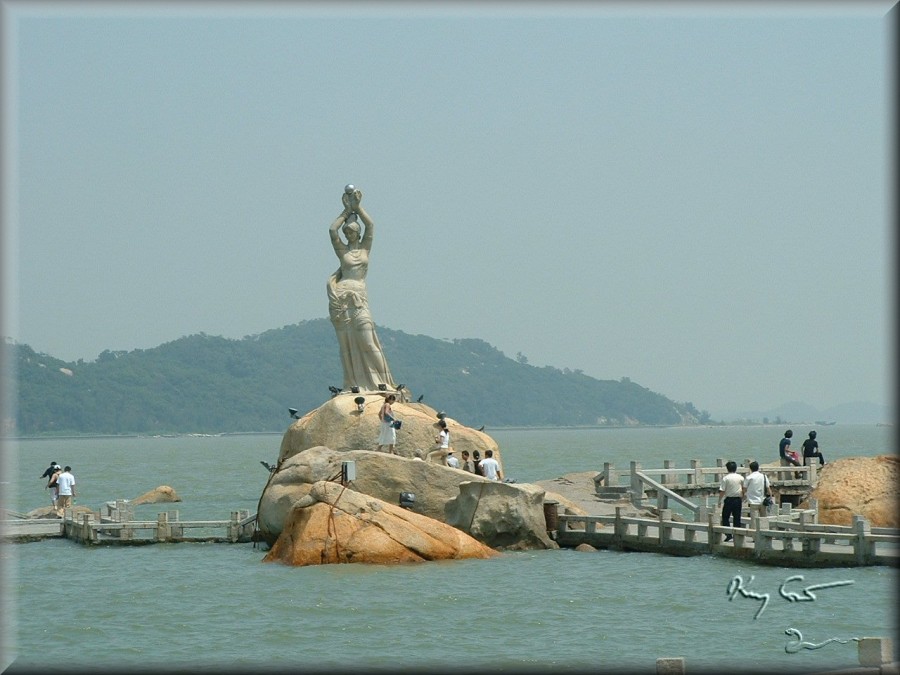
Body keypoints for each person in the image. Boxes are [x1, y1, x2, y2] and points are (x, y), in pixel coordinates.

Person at [327, 185, 397, 393]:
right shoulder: (342, 252)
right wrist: (346, 212)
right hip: (342, 299)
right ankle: (353, 383)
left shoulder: (365, 247)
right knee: (348, 345)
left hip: (359, 298)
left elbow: (371, 225)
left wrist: (358, 208)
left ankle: (385, 382)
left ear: (357, 232)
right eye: (347, 231)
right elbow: (332, 230)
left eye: (352, 231)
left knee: (368, 341)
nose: (349, 233)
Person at [718, 460, 743, 541]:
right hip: (738, 499)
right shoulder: (740, 477)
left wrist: (719, 500)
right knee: (737, 517)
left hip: (729, 499)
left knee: (725, 517)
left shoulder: (726, 478)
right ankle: (738, 535)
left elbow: (722, 491)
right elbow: (744, 488)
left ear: (727, 469)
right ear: (736, 468)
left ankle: (728, 534)